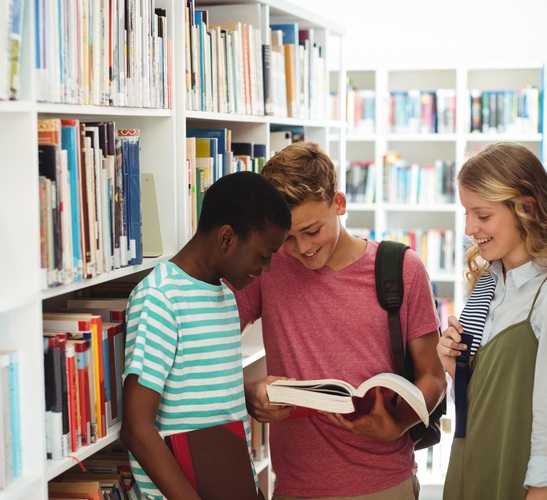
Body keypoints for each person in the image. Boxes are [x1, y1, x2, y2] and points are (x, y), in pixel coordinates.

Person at [232, 141, 447, 500]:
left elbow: (434, 377)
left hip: (385, 483)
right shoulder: (267, 269)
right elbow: (208, 343)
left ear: (340, 203)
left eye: (313, 230)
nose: (302, 249)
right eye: (287, 238)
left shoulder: (402, 270)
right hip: (295, 487)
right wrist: (248, 391)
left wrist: (397, 424)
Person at [120, 171, 292, 500]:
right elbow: (137, 427)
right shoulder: (160, 298)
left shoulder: (225, 296)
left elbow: (209, 398)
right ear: (227, 238)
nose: (267, 268)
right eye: (263, 255)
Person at [437, 142, 547, 500]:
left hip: (516, 476)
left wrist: (542, 492)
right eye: (466, 214)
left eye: (482, 216)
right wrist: (454, 366)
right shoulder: (487, 283)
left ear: (526, 209)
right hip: (470, 464)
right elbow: (484, 399)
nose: (470, 227)